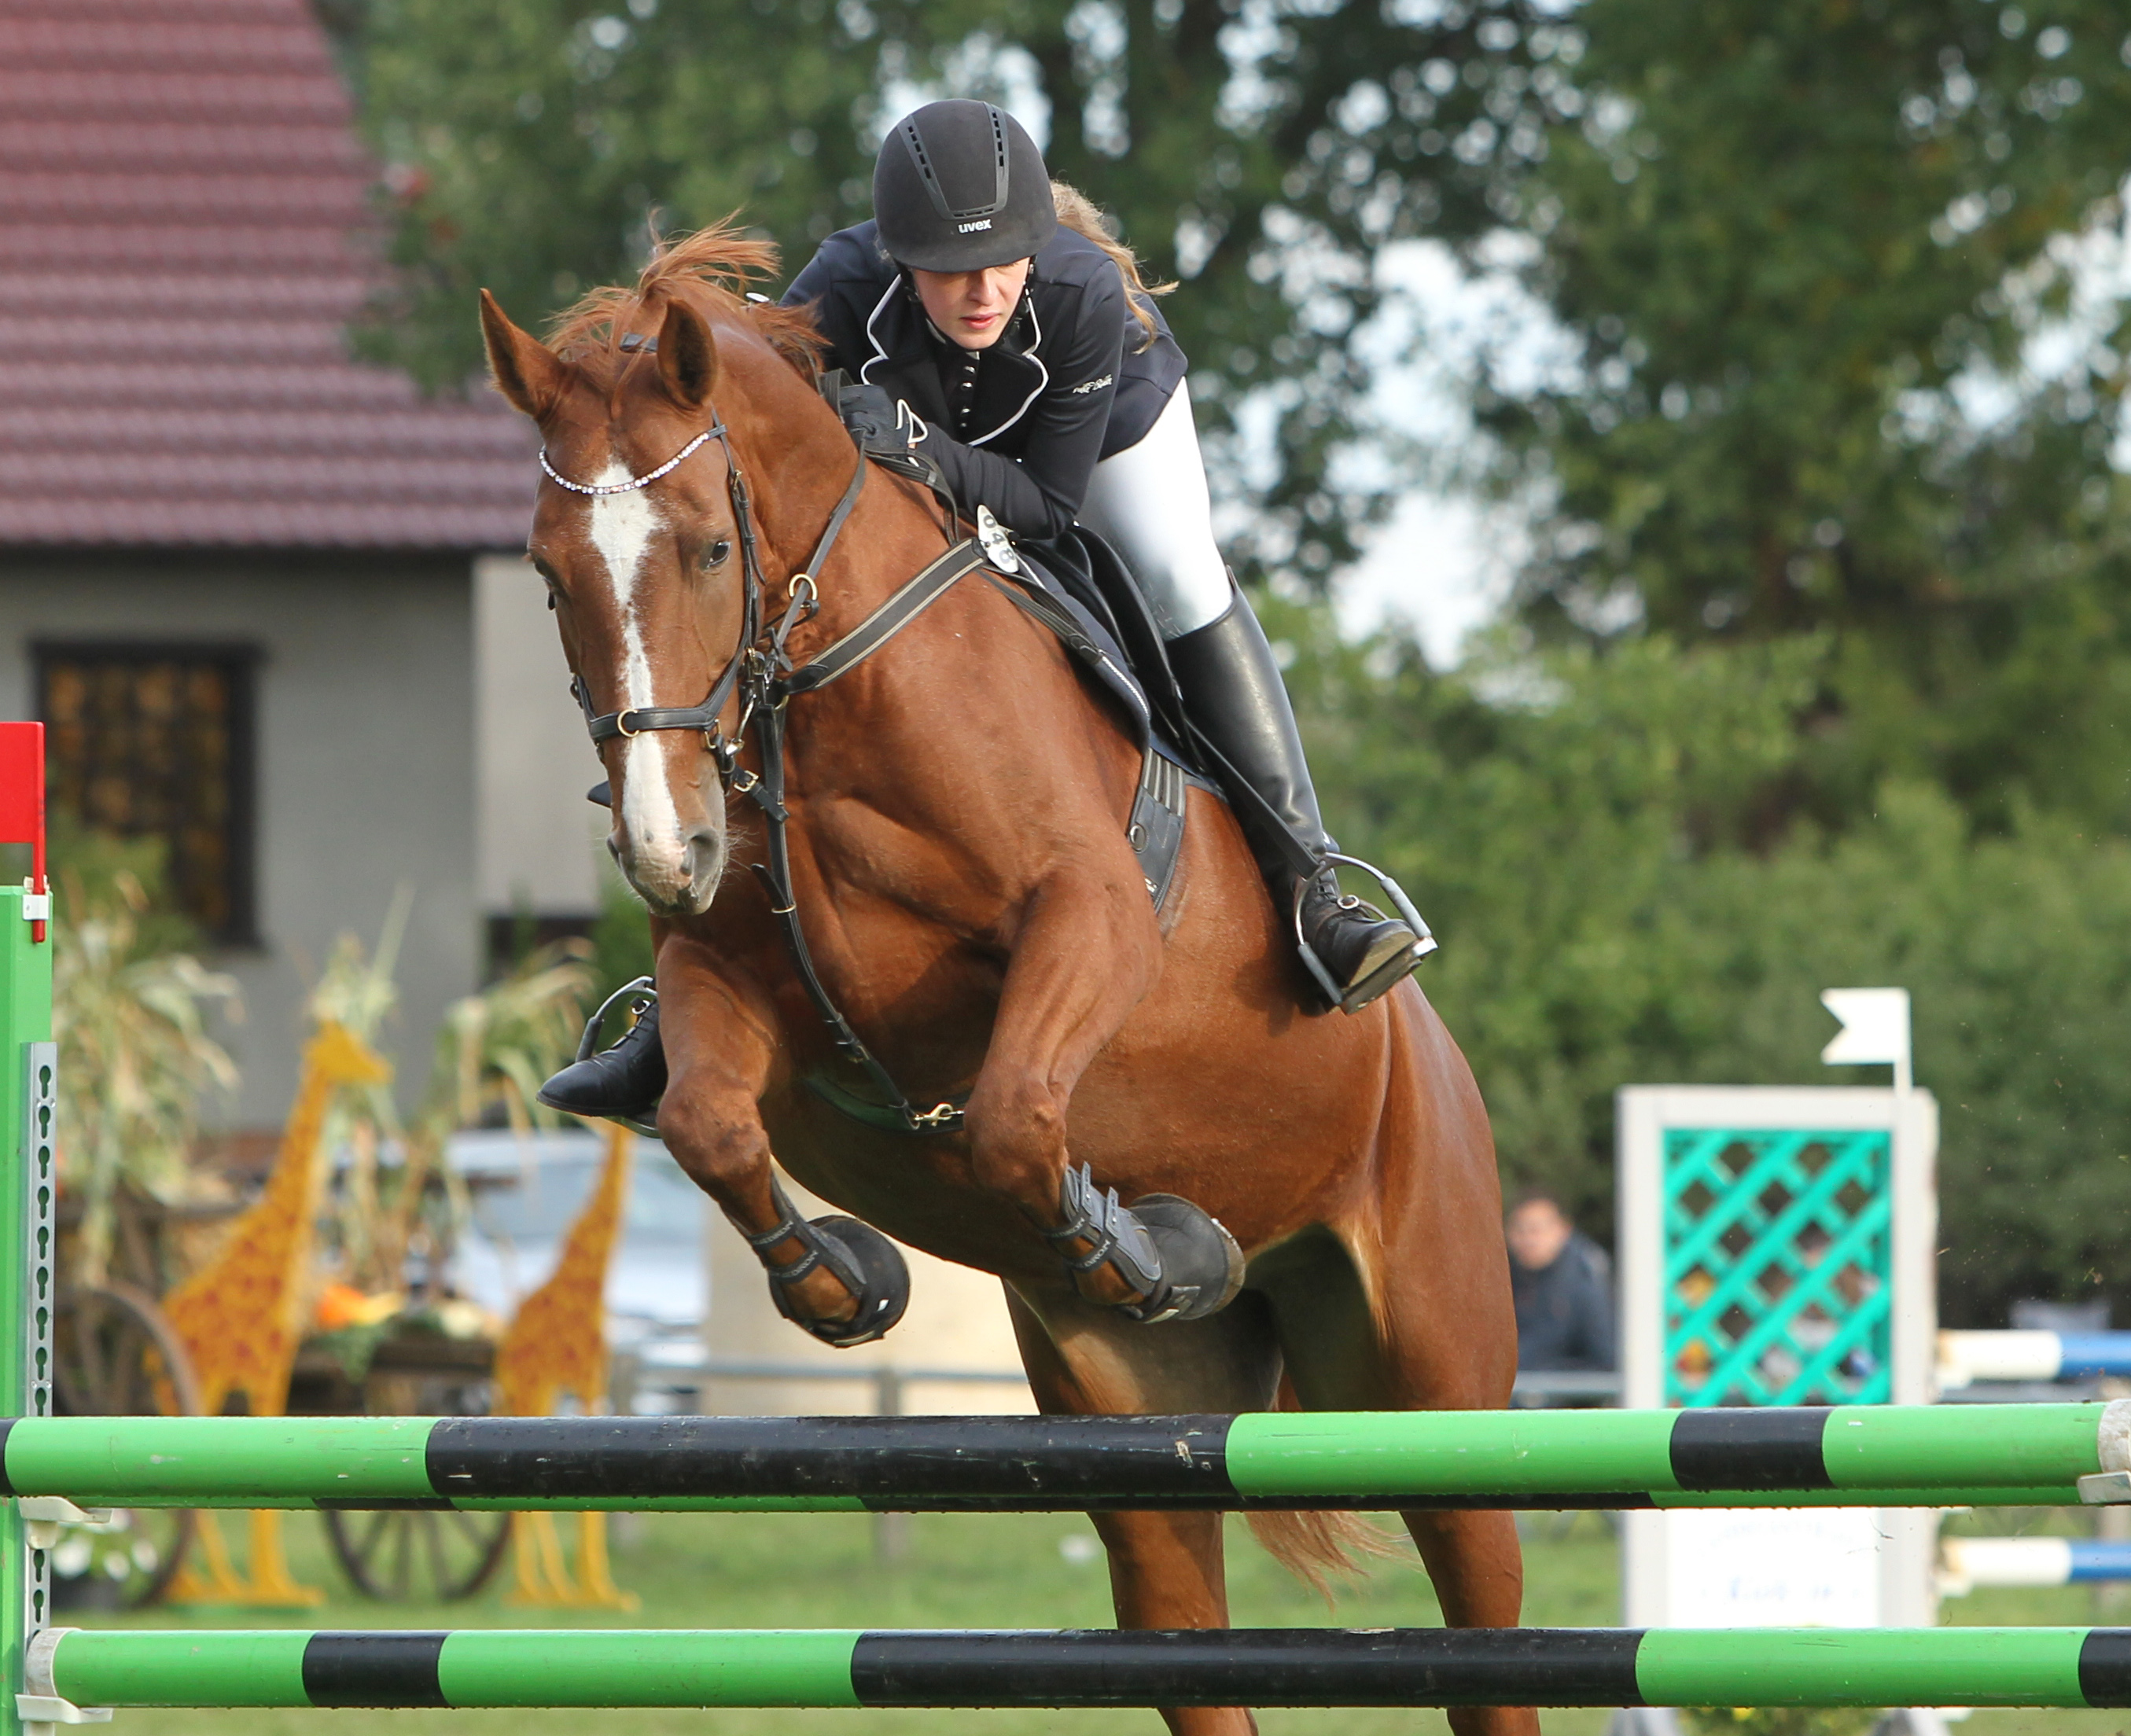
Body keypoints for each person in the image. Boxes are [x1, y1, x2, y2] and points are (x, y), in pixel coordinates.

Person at [541, 99, 1426, 1122]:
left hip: (1092, 447)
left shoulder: (1084, 293)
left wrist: (910, 447)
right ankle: (686, 988)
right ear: (896, 258)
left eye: (1007, 261)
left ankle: (1311, 881)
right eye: (952, 270)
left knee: (1179, 573)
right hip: (918, 476)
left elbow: (1050, 508)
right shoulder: (839, 288)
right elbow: (739, 440)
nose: (984, 290)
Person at [1505, 1191, 1615, 1374]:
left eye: (1536, 1230)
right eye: (1520, 1230)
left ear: (1563, 1230)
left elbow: (1605, 1360)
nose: (1528, 1240)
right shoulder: (1504, 1284)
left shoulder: (1586, 1286)